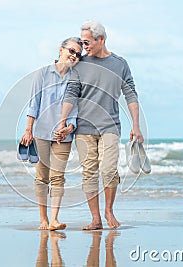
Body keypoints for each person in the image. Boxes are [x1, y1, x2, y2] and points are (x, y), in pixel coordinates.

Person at [55, 20, 144, 230]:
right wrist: (62, 121)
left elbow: (130, 94)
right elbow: (71, 93)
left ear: (100, 39)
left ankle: (109, 211)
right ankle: (95, 219)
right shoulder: (81, 65)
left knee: (109, 170)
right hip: (84, 128)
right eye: (82, 42)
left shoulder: (119, 64)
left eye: (87, 42)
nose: (83, 47)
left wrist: (136, 126)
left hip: (110, 126)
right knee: (89, 173)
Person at [19, 37, 82, 230]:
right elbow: (34, 103)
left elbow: (76, 107)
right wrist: (28, 129)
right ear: (61, 50)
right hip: (41, 132)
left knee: (58, 177)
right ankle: (43, 220)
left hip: (64, 135)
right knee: (41, 177)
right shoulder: (43, 73)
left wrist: (69, 128)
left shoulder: (76, 78)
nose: (74, 56)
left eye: (78, 54)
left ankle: (54, 219)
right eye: (71, 51)